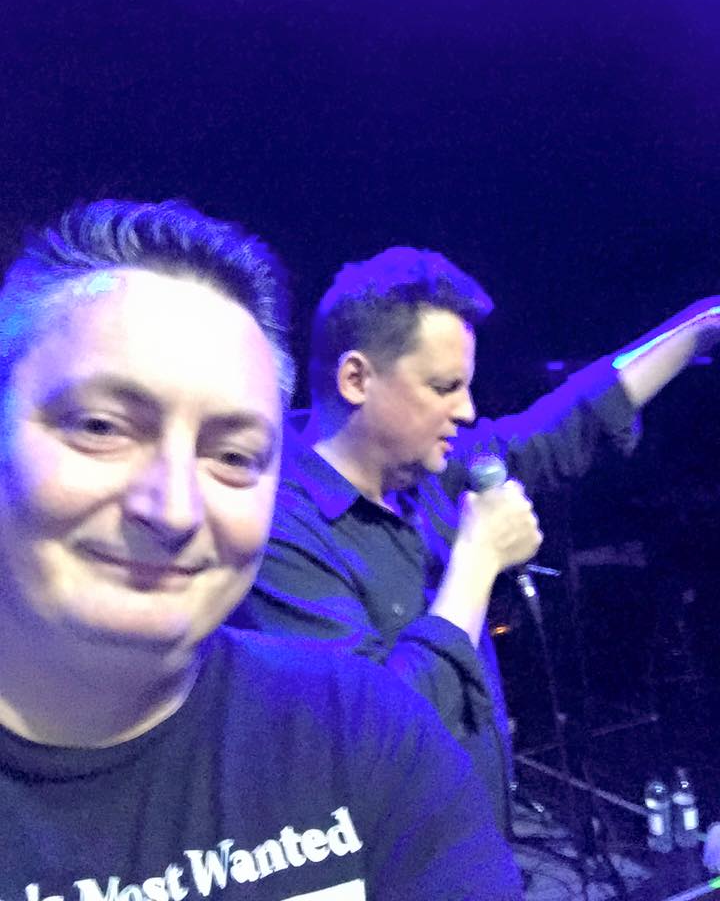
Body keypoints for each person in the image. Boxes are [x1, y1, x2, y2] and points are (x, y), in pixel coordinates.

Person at [0, 205, 523, 900]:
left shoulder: (360, 730)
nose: (174, 510)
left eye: (234, 455)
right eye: (101, 426)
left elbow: (564, 424)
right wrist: (477, 563)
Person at [230, 245, 720, 832]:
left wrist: (702, 327)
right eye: (445, 387)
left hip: (475, 838)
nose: (467, 410)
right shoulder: (276, 529)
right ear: (356, 378)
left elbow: (570, 421)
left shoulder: (431, 475)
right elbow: (374, 735)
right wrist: (478, 560)